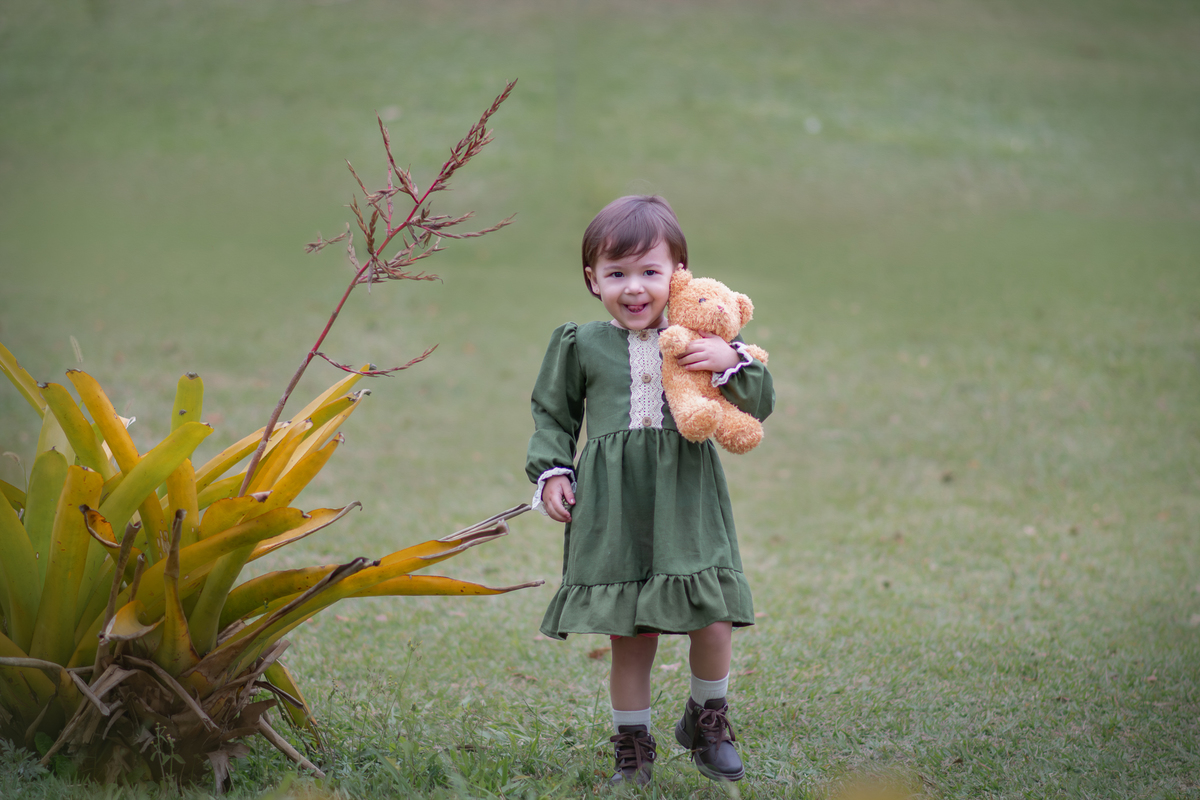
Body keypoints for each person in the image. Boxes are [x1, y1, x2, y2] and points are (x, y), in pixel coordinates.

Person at [526, 195, 774, 785]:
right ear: (593, 280)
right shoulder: (579, 343)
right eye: (616, 274)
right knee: (630, 633)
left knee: (711, 617)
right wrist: (554, 470)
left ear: (678, 273)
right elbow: (553, 416)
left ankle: (708, 717)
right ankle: (632, 748)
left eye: (649, 272)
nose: (633, 288)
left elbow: (759, 406)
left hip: (687, 498)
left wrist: (731, 360)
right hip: (614, 508)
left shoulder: (702, 341)